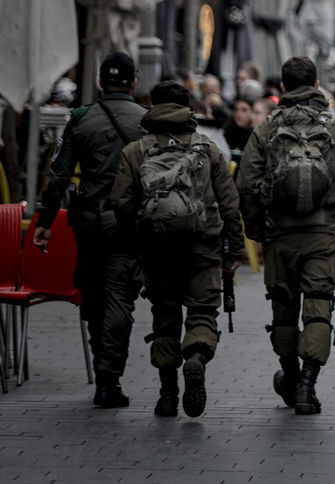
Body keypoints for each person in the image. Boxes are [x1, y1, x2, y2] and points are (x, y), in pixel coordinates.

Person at [236, 56, 335, 415]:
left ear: (282, 88)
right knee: (318, 308)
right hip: (325, 233)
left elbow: (246, 184)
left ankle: (291, 377)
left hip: (280, 235)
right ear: (317, 83)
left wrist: (257, 230)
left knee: (283, 311)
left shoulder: (265, 130)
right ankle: (307, 387)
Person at [110, 80, 243, 418]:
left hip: (157, 249)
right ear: (189, 108)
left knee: (165, 317)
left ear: (153, 106)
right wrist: (235, 247)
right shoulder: (207, 148)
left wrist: (138, 239)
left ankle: (167, 394)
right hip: (203, 246)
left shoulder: (136, 150)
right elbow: (229, 204)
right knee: (202, 312)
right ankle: (196, 357)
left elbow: (121, 202)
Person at [34, 52, 147, 408]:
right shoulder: (146, 123)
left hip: (88, 224)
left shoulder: (81, 119)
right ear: (133, 82)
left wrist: (46, 222)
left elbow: (59, 175)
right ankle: (109, 379)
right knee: (120, 299)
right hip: (128, 226)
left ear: (100, 82)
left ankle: (103, 373)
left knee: (94, 296)